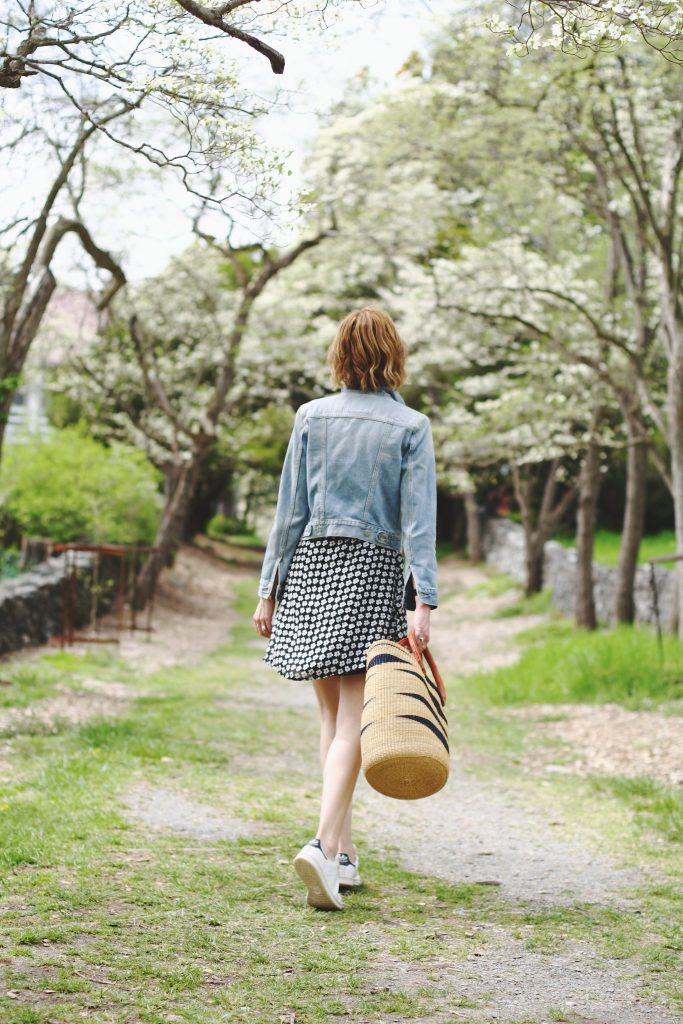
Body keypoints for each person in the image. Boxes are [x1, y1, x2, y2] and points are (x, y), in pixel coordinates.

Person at [252, 307, 438, 911]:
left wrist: (268, 588)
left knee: (334, 722)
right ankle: (325, 847)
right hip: (371, 572)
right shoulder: (411, 426)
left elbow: (288, 512)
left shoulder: (310, 416)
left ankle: (345, 854)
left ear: (340, 354)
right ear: (393, 354)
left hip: (310, 569)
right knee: (356, 720)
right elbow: (419, 524)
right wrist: (424, 600)